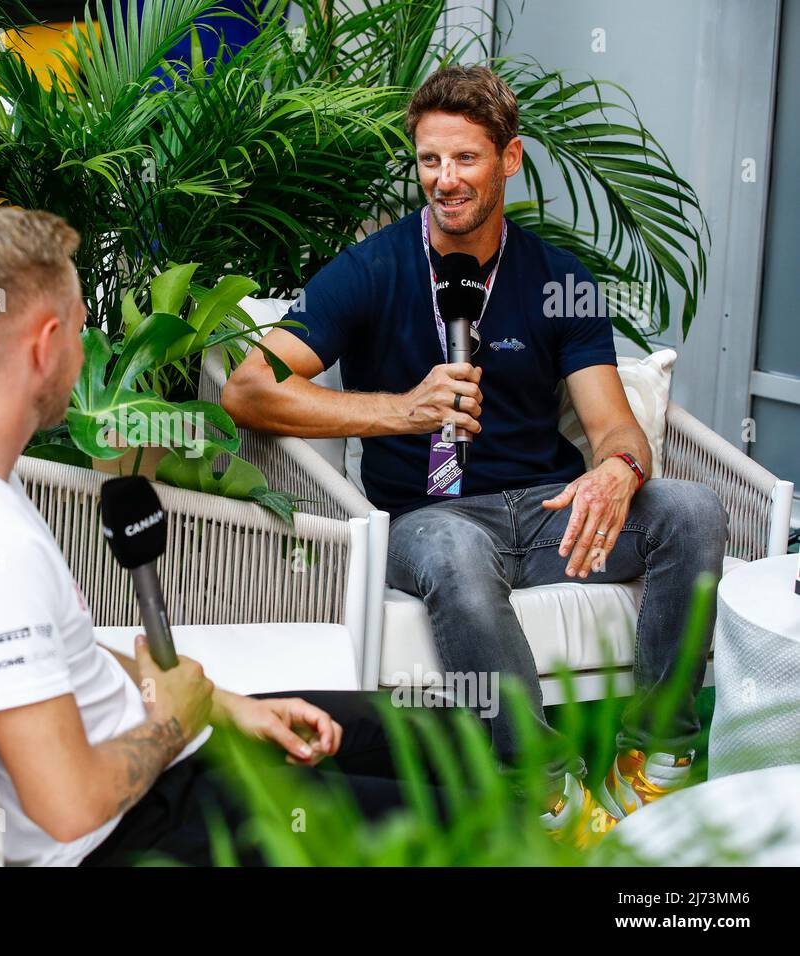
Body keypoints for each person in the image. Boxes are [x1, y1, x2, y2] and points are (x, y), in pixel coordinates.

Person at [0, 205, 447, 867]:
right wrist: (175, 720)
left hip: (158, 755)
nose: (86, 353)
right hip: (134, 822)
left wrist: (222, 706)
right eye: (82, 332)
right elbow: (66, 806)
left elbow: (45, 657)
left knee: (416, 733)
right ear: (44, 344)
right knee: (450, 818)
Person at [220, 65, 728, 842]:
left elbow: (612, 423)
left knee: (692, 508)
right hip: (428, 518)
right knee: (455, 546)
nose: (444, 180)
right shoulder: (371, 269)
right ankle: (541, 785)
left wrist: (619, 472)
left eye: (465, 159)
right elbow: (248, 389)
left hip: (550, 510)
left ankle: (655, 760)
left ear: (510, 159)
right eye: (429, 161)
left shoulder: (561, 279)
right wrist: (401, 410)